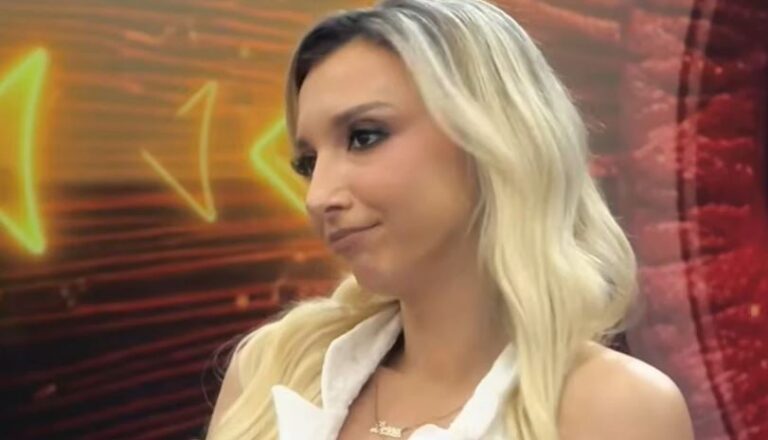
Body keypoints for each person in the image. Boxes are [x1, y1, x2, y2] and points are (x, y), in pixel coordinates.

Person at [206, 0, 694, 438]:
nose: (318, 197)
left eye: (364, 137)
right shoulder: (275, 368)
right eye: (308, 163)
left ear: (493, 136)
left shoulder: (617, 409)